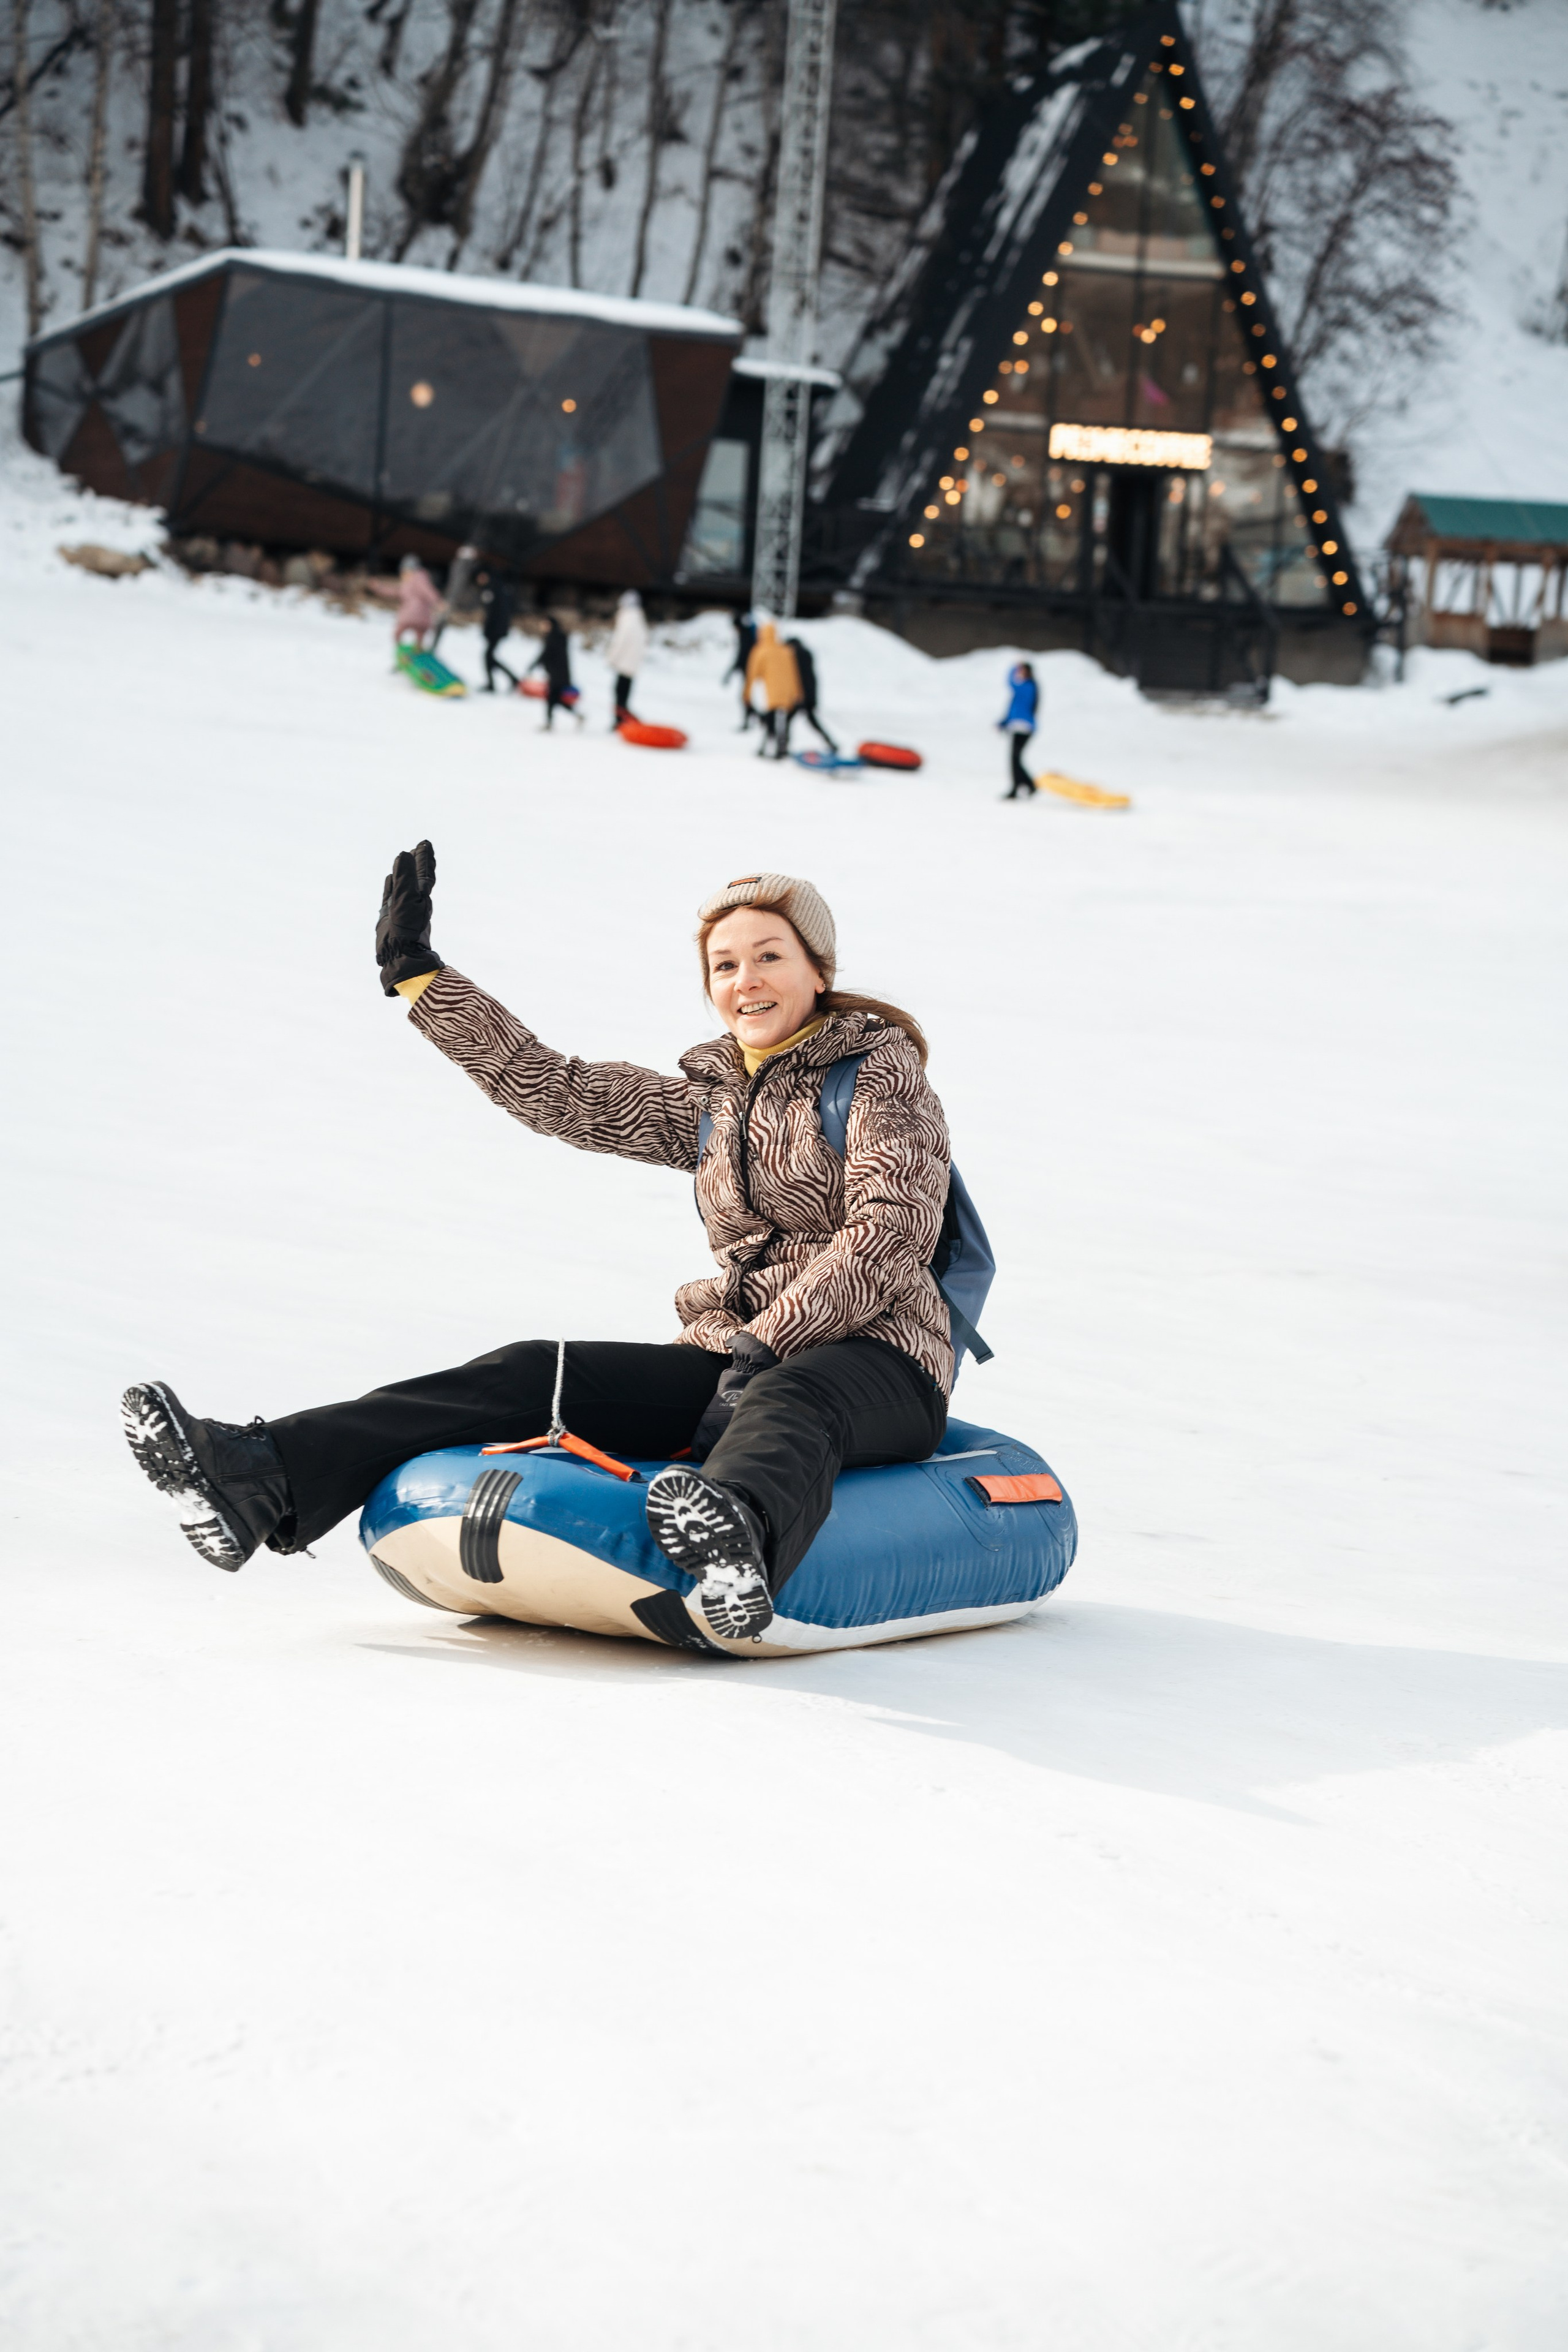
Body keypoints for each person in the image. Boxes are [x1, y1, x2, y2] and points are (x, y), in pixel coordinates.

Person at [121, 863, 954, 1647]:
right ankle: (261, 1476)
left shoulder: (881, 1078)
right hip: (735, 1353)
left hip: (879, 1359)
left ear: (818, 968)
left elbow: (888, 1233)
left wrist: (768, 1341)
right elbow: (557, 1091)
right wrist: (421, 978)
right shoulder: (712, 1104)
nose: (746, 981)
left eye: (769, 956)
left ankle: (737, 1551)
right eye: (725, 965)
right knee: (531, 1373)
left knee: (796, 1391)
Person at [744, 620, 803, 760]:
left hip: (771, 693)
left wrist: (747, 693)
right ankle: (780, 748)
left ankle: (768, 747)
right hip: (786, 694)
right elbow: (794, 674)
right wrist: (797, 693)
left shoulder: (760, 650)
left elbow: (753, 674)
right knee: (782, 723)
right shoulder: (785, 650)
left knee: (770, 721)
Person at [782, 634, 839, 758]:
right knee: (809, 721)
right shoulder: (806, 655)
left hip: (801, 696)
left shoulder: (797, 657)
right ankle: (831, 743)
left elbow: (799, 679)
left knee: (791, 720)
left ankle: (783, 747)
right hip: (809, 695)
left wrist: (799, 696)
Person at [529, 612, 582, 729]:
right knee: (556, 700)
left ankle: (549, 723)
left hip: (558, 675)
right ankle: (577, 716)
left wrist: (534, 665)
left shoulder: (554, 637)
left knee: (552, 699)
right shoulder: (558, 637)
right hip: (559, 674)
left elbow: (546, 654)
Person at [606, 589, 649, 725]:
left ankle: (620, 721)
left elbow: (620, 641)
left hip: (623, 663)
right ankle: (621, 719)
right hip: (632, 664)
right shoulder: (639, 619)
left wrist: (612, 658)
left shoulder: (627, 618)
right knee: (625, 693)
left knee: (619, 693)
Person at [430, 545, 480, 655]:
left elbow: (457, 584)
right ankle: (431, 648)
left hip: (451, 599)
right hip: (451, 599)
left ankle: (431, 648)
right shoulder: (463, 566)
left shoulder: (461, 566)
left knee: (439, 622)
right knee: (438, 622)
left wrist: (450, 600)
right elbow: (456, 584)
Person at [999, 660, 1038, 798]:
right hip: (1018, 727)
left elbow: (1010, 682)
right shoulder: (1023, 689)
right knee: (1015, 759)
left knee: (1015, 759)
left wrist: (1015, 667)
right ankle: (1026, 785)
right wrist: (1004, 723)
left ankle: (1024, 786)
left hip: (1024, 728)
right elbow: (1013, 711)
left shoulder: (1028, 686)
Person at [477, 570, 519, 693]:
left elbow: (493, 613)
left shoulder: (491, 590)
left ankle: (498, 683)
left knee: (488, 657)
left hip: (495, 630)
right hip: (498, 629)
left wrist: (488, 629)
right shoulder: (500, 588)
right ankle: (506, 680)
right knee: (489, 657)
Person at [393, 554, 443, 651]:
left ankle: (405, 655)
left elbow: (427, 591)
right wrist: (378, 587)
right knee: (418, 637)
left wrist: (438, 602)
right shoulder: (411, 582)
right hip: (422, 617)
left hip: (412, 615)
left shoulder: (418, 579)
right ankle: (415, 655)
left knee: (398, 634)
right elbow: (396, 591)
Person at [725, 610, 758, 731]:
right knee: (745, 697)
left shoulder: (745, 636)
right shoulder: (747, 635)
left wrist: (730, 672)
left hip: (749, 670)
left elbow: (742, 656)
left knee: (745, 697)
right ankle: (752, 720)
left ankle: (757, 719)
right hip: (749, 670)